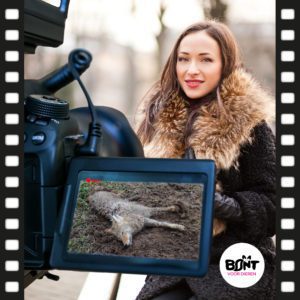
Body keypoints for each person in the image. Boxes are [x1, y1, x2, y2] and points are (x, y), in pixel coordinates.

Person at [135, 20, 276, 300]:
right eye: (183, 59)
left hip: (238, 258)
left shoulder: (250, 125)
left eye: (206, 60)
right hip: (174, 261)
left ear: (225, 65)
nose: (192, 70)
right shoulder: (160, 121)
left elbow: (274, 206)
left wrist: (221, 205)